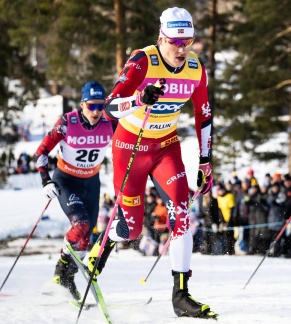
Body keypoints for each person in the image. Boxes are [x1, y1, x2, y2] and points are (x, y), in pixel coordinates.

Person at [86, 7, 216, 318]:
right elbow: (110, 108)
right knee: (130, 229)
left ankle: (181, 295)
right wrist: (139, 99)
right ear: (161, 38)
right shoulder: (143, 60)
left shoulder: (196, 68)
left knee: (182, 212)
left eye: (188, 41)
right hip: (130, 146)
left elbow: (204, 115)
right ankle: (99, 251)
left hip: (165, 147)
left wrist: (205, 161)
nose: (182, 49)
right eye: (175, 42)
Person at [34, 81, 113, 300]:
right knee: (80, 224)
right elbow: (41, 151)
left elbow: (126, 143)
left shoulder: (110, 122)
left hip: (91, 181)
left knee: (87, 237)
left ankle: (67, 279)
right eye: (91, 106)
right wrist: (45, 180)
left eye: (100, 105)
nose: (96, 111)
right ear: (82, 104)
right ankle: (60, 272)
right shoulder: (67, 122)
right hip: (66, 180)